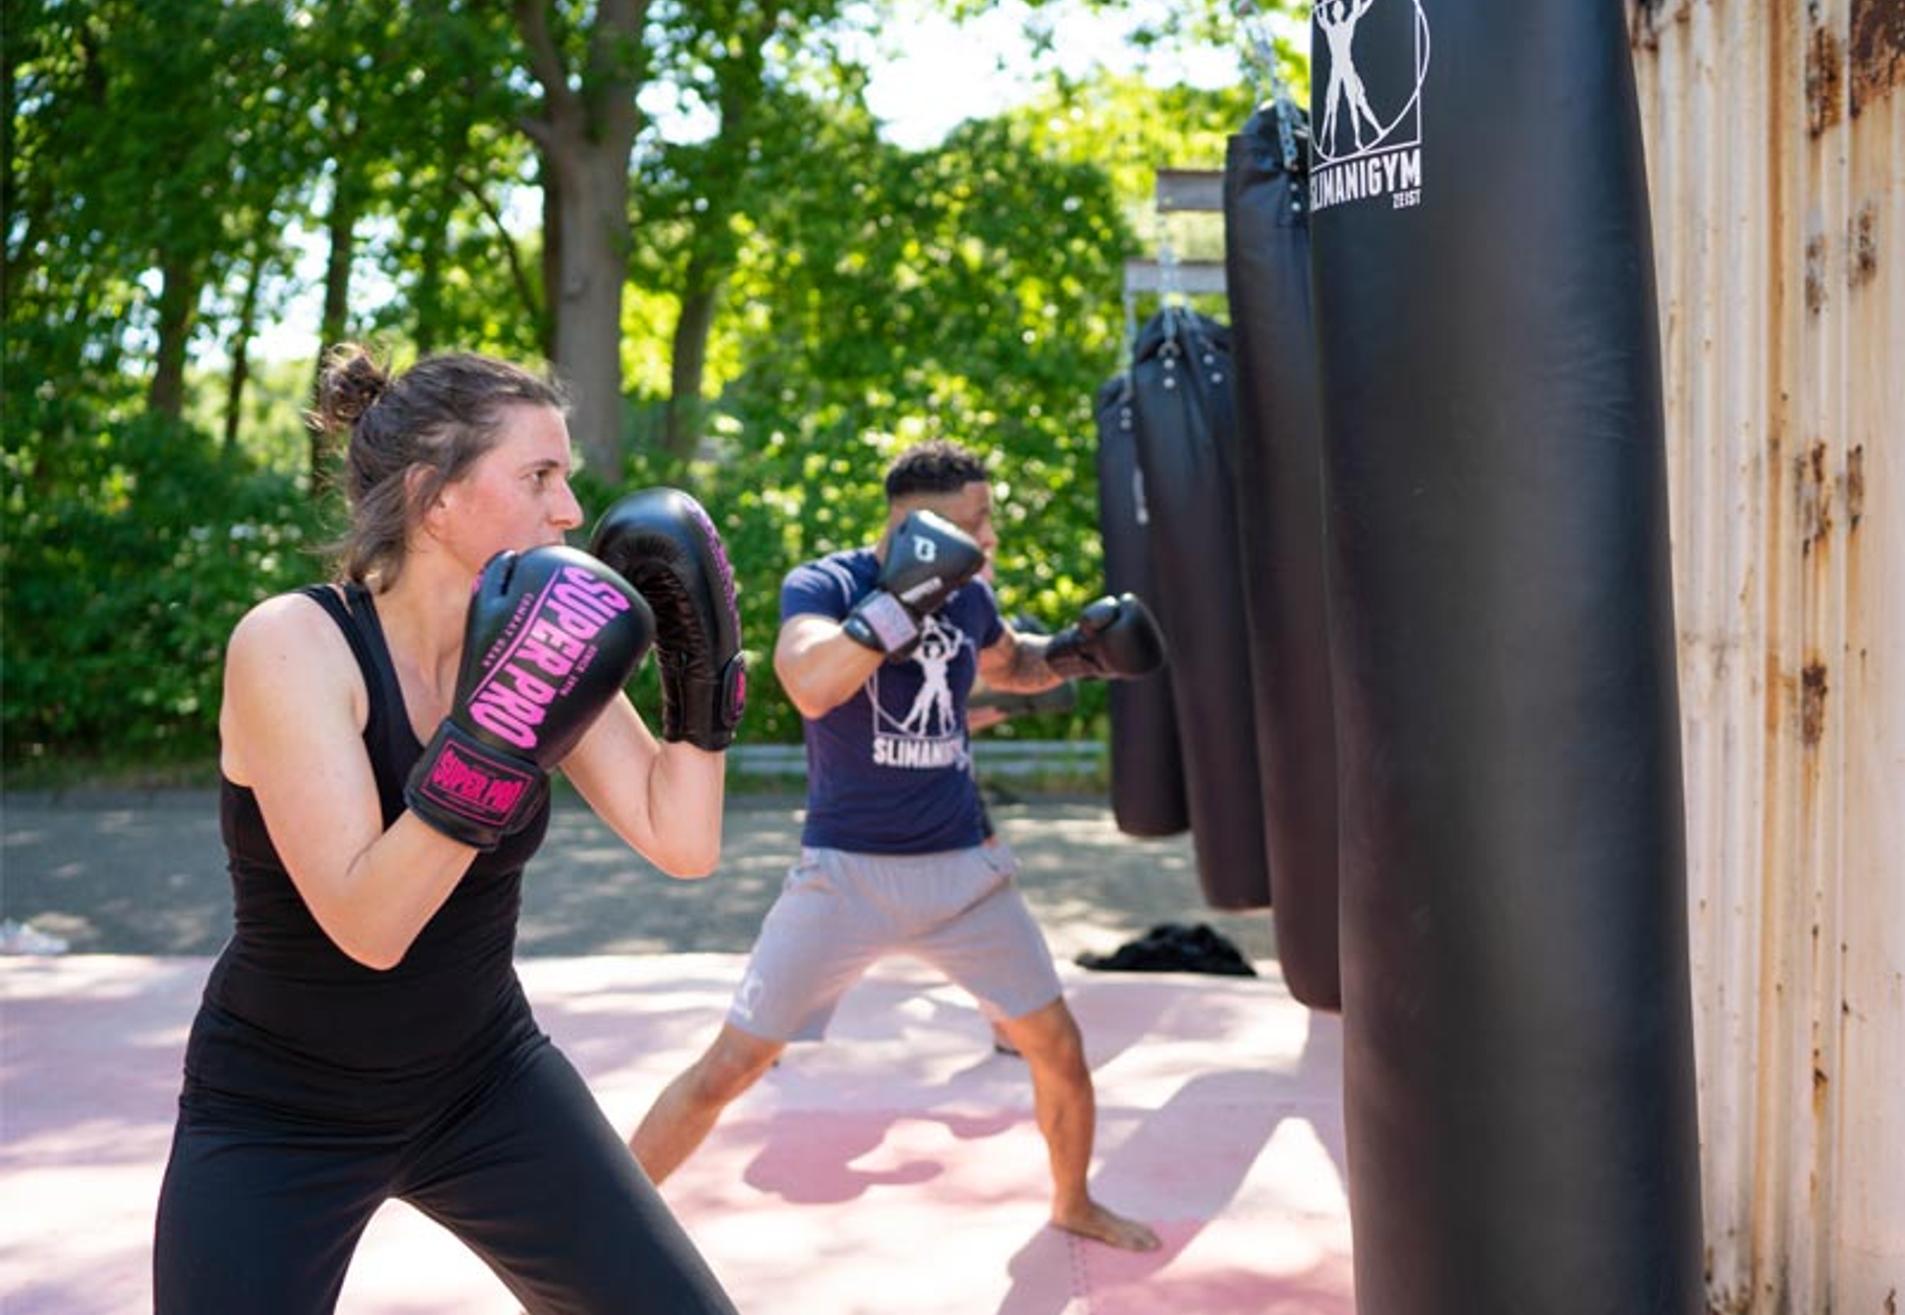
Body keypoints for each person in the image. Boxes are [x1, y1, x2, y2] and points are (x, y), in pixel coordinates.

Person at [152, 345, 745, 1315]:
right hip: (281, 1105)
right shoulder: (294, 644)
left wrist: (701, 678)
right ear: (435, 497)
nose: (568, 510)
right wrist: (499, 729)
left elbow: (681, 840)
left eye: (568, 479)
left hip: (483, 1076)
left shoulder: (546, 638)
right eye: (538, 476)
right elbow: (368, 924)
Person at [627, 439, 1167, 1253]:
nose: (988, 538)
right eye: (974, 522)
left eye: (989, 519)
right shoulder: (829, 582)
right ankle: (609, 1221)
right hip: (845, 877)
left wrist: (1071, 656)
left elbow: (1007, 664)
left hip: (964, 874)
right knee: (728, 1069)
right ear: (915, 520)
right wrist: (898, 601)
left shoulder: (971, 595)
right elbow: (809, 682)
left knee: (1057, 1048)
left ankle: (1072, 1201)